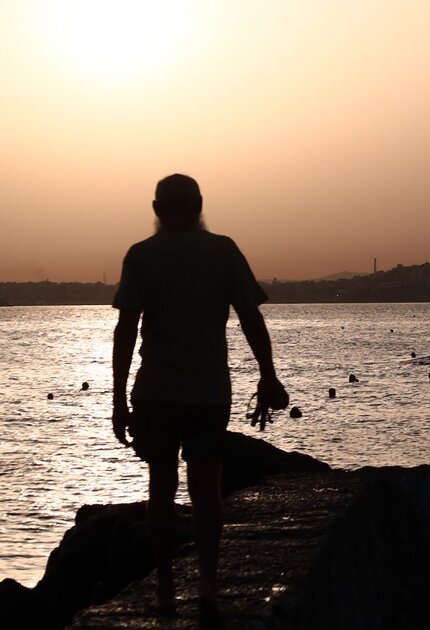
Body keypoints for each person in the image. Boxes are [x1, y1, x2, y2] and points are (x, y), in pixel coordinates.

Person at [111, 174, 288, 621]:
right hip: (208, 393)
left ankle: (166, 590)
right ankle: (208, 587)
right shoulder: (223, 251)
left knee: (161, 487)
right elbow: (251, 319)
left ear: (156, 208)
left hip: (156, 392)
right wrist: (268, 375)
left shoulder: (141, 255)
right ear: (200, 204)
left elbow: (125, 331)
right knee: (207, 489)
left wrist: (117, 400)